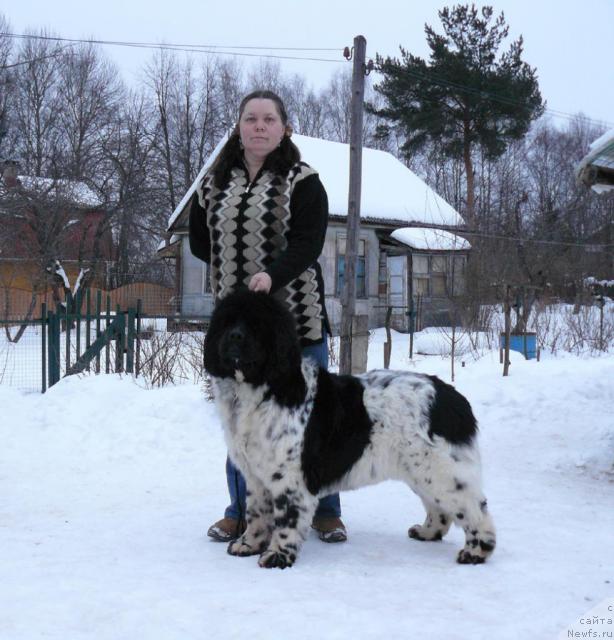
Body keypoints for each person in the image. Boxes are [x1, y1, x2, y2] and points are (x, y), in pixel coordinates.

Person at [188, 89, 347, 544]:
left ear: (284, 128)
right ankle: (240, 512)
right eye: (251, 119)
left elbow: (309, 242)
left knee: (312, 416)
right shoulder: (214, 184)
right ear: (239, 127)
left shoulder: (303, 180)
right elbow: (201, 243)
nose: (259, 126)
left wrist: (269, 275)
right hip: (236, 328)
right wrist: (232, 273)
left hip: (296, 319)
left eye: (269, 119)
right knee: (242, 421)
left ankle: (325, 511)